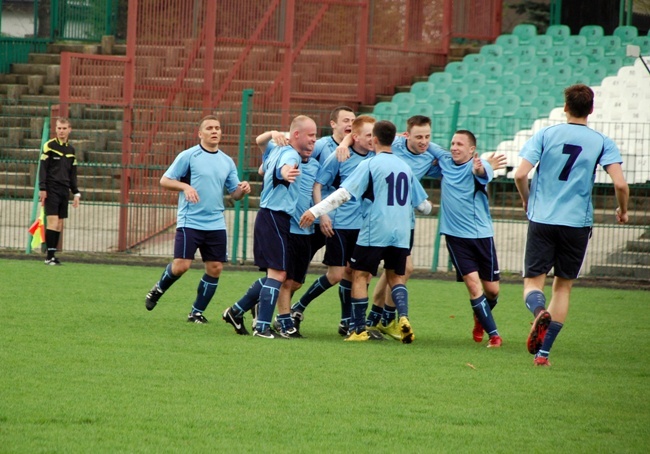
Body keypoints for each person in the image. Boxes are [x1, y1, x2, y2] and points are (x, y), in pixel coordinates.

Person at [514, 84, 629, 367]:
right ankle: (543, 355)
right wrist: (623, 211)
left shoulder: (546, 134)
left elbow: (519, 174)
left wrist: (528, 201)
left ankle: (539, 311)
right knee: (563, 288)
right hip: (576, 223)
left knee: (532, 282)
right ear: (591, 109)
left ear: (565, 107)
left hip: (543, 218)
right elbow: (620, 184)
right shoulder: (602, 141)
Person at [301, 120, 432, 343]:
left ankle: (359, 329)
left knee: (360, 274)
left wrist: (315, 211)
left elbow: (343, 195)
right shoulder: (405, 167)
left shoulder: (371, 164)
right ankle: (404, 318)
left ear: (376, 139)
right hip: (401, 231)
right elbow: (425, 207)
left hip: (376, 228)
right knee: (395, 277)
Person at [144, 115, 251, 323]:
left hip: (215, 222)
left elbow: (234, 194)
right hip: (190, 220)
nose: (214, 131)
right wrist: (185, 186)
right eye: (209, 128)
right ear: (200, 133)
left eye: (217, 128)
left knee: (215, 268)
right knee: (181, 266)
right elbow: (165, 180)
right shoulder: (188, 156)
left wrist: (243, 189)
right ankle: (157, 289)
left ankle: (196, 313)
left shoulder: (226, 161)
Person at [222, 115, 318, 339]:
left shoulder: (275, 148)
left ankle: (236, 311)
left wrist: (273, 134)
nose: (314, 140)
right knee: (279, 273)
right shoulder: (290, 154)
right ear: (296, 135)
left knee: (277, 275)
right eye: (311, 135)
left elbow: (261, 148)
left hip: (272, 217)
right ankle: (261, 325)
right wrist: (285, 172)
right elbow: (282, 169)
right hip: (275, 216)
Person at [290, 115, 376, 335]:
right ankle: (299, 307)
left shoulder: (376, 156)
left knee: (358, 274)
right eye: (368, 135)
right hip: (338, 223)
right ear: (355, 136)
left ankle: (347, 321)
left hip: (363, 226)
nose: (372, 139)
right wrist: (323, 215)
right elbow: (318, 185)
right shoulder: (339, 155)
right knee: (337, 274)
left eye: (374, 135)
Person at [435, 130, 506, 348]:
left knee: (492, 290)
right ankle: (494, 335)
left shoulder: (478, 165)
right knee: (474, 286)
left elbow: (484, 171)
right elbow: (424, 144)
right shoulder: (445, 162)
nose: (455, 147)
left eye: (460, 144)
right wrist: (401, 137)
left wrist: (483, 167)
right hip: (456, 237)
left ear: (472, 149)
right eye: (453, 143)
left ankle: (479, 318)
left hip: (482, 236)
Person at [38, 117, 81, 265]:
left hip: (64, 190)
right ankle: (48, 257)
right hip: (51, 188)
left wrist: (76, 192)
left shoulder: (71, 150)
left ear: (70, 129)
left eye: (64, 128)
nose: (61, 131)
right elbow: (42, 168)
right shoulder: (49, 146)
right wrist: (42, 188)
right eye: (59, 128)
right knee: (53, 221)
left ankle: (52, 255)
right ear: (55, 129)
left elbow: (72, 173)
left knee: (60, 223)